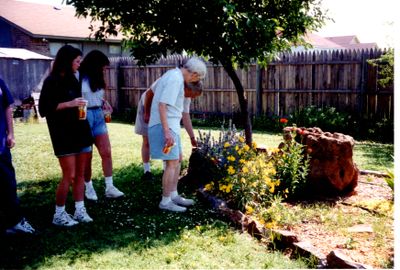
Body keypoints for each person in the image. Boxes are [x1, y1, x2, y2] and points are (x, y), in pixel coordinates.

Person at [39, 45, 94, 226]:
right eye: (77, 61)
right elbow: (44, 109)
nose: (79, 64)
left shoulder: (73, 79)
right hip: (63, 135)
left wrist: (79, 106)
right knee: (68, 175)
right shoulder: (51, 81)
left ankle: (79, 210)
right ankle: (59, 214)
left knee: (80, 174)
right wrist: (70, 103)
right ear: (67, 60)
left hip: (80, 132)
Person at [148, 57, 207, 212]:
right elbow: (162, 105)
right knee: (172, 163)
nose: (195, 80)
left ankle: (173, 195)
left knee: (177, 160)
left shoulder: (174, 76)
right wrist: (166, 131)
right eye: (197, 78)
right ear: (194, 74)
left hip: (172, 124)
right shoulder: (175, 79)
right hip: (166, 125)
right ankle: (165, 201)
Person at [79, 50, 124, 201]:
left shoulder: (97, 78)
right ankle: (88, 186)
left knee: (106, 151)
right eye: (103, 67)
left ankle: (110, 187)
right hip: (83, 117)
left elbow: (97, 96)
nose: (104, 70)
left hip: (98, 115)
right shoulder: (78, 77)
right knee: (87, 156)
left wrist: (104, 102)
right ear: (94, 65)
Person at [134, 79, 201, 181]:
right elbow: (149, 94)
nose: (192, 98)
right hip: (147, 105)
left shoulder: (186, 97)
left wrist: (192, 137)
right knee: (147, 140)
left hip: (164, 112)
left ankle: (166, 170)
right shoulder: (170, 82)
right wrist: (147, 113)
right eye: (193, 95)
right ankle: (147, 171)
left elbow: (185, 116)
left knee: (167, 140)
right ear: (187, 88)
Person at [0, 78, 35, 234]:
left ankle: (14, 222)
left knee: (8, 182)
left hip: (0, 143)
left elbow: (7, 107)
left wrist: (11, 134)